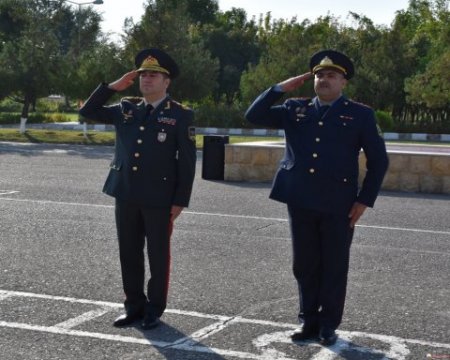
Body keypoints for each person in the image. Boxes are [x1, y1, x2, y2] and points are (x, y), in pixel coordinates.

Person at [245, 49, 389, 346]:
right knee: (304, 263)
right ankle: (307, 320)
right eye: (319, 75)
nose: (324, 79)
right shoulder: (294, 108)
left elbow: (379, 160)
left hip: (340, 203)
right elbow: (253, 116)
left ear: (343, 82)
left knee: (334, 265)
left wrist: (364, 200)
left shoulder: (360, 114)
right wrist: (279, 88)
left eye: (331, 75)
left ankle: (328, 325)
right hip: (300, 198)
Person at [79, 48, 196, 330]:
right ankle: (133, 306)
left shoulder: (180, 115)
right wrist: (112, 87)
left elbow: (187, 162)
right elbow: (87, 112)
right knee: (128, 252)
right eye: (143, 74)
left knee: (158, 255)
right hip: (126, 192)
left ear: (166, 82)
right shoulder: (126, 108)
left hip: (160, 197)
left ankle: (153, 309)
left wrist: (180, 200)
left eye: (153, 75)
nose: (147, 79)